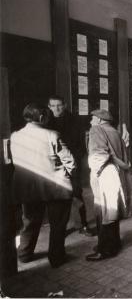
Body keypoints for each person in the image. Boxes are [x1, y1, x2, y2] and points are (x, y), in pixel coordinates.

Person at [10, 103, 75, 268]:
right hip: (55, 187)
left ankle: (24, 254)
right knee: (57, 223)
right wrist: (66, 175)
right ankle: (56, 257)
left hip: (28, 187)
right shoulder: (52, 135)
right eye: (47, 115)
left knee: (30, 221)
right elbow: (71, 162)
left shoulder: (15, 136)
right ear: (40, 117)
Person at [86, 109, 131, 261]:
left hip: (105, 174)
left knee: (103, 210)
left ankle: (104, 249)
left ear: (99, 120)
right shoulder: (114, 131)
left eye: (92, 118)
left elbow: (99, 155)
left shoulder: (96, 129)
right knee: (112, 209)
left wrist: (96, 172)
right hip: (117, 174)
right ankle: (114, 244)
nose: (91, 121)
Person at [47, 95, 94, 237]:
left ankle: (82, 224)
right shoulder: (46, 121)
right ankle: (59, 228)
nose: (56, 109)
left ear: (65, 105)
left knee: (76, 194)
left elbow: (81, 144)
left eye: (59, 105)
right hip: (53, 165)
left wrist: (74, 162)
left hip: (72, 163)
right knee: (56, 198)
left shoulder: (75, 120)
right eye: (53, 106)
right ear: (49, 107)